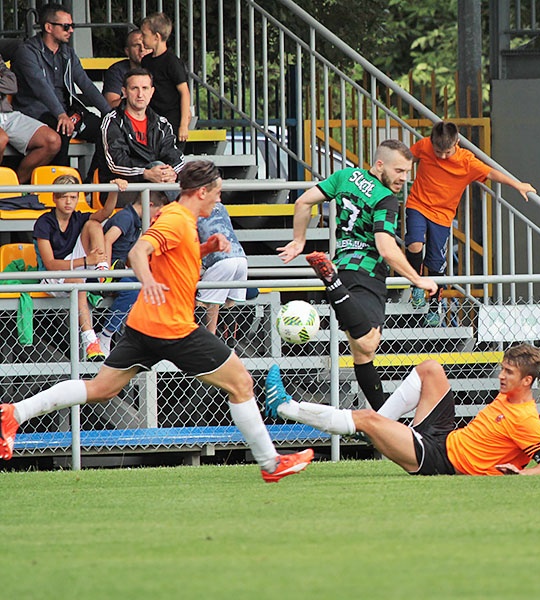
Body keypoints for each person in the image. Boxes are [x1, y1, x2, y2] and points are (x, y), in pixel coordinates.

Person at [1, 160, 313, 482]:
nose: (219, 201)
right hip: (172, 327)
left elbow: (173, 257)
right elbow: (139, 252)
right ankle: (272, 464)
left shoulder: (182, 219)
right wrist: (147, 281)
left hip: (144, 325)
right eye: (217, 194)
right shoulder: (177, 219)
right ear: (201, 191)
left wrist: (206, 248)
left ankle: (14, 413)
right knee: (242, 383)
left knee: (100, 388)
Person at [277, 139, 438, 412]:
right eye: (399, 171)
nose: (404, 178)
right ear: (379, 165)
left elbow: (304, 201)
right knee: (368, 341)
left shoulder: (345, 177)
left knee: (363, 354)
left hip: (344, 266)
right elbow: (386, 248)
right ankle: (332, 283)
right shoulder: (385, 199)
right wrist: (417, 279)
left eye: (407, 172)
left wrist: (299, 239)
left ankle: (385, 421)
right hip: (366, 273)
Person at [264, 343, 540, 476]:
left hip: (439, 461)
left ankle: (286, 407)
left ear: (527, 380)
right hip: (445, 437)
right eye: (502, 369)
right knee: (431, 369)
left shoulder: (527, 420)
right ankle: (379, 427)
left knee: (366, 420)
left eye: (509, 372)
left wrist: (524, 476)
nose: (502, 376)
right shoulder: (508, 398)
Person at [405, 121, 536, 325]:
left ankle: (433, 305)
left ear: (457, 142)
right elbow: (409, 158)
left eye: (447, 152)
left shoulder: (466, 161)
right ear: (432, 143)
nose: (442, 156)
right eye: (438, 151)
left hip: (442, 215)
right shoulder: (424, 146)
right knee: (414, 243)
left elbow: (491, 173)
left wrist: (517, 184)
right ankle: (415, 284)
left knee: (436, 262)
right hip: (418, 204)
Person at [34, 174, 124, 360]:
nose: (69, 201)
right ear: (54, 198)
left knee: (93, 224)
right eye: (64, 196)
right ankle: (90, 341)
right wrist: (85, 261)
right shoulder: (44, 222)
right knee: (77, 282)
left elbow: (105, 213)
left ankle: (103, 271)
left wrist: (115, 190)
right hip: (53, 274)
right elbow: (50, 264)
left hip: (79, 264)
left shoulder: (78, 218)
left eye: (73, 197)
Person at [11, 3, 111, 168]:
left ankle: (88, 184)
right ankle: (61, 186)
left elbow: (86, 84)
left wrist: (110, 115)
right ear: (49, 27)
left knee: (106, 130)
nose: (71, 30)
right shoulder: (27, 51)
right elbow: (41, 87)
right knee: (63, 129)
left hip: (65, 112)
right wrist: (60, 115)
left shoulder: (68, 53)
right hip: (36, 112)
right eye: (66, 26)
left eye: (72, 26)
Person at [96, 190, 169, 356]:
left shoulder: (136, 221)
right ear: (149, 205)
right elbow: (108, 239)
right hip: (109, 271)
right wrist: (105, 272)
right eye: (157, 212)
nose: (156, 218)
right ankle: (106, 335)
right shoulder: (126, 217)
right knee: (132, 290)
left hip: (121, 268)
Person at [99, 68, 184, 189]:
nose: (140, 94)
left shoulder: (162, 124)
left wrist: (171, 172)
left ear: (152, 92)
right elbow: (115, 163)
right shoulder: (112, 121)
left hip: (159, 184)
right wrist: (146, 173)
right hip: (121, 187)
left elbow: (175, 156)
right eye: (134, 88)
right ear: (125, 92)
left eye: (145, 88)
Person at [0, 53, 61, 183]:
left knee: (52, 141)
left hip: (7, 113)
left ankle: (14, 188)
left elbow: (11, 84)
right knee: (1, 139)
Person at [196, 201, 248, 335]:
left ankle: (208, 341)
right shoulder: (221, 206)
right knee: (229, 302)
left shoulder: (192, 208)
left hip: (221, 259)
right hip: (241, 257)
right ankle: (231, 344)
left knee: (205, 302)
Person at [140, 12, 190, 146]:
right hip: (153, 118)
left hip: (171, 119)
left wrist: (183, 125)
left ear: (156, 37)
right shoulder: (146, 61)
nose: (142, 38)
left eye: (144, 34)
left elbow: (184, 92)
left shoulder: (172, 62)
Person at [102, 29, 150, 109]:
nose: (142, 49)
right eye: (136, 45)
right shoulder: (116, 71)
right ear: (127, 51)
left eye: (146, 45)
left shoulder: (159, 68)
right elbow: (110, 104)